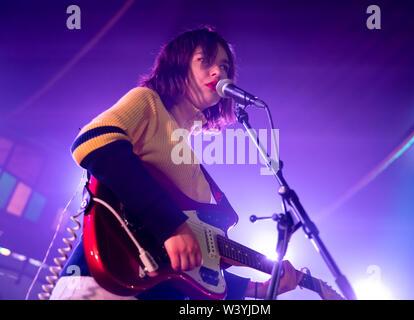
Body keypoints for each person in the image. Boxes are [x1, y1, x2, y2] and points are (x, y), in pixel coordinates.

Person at [50, 27, 302, 300]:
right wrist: (172, 225)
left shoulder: (187, 152)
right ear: (178, 64)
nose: (219, 72)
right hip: (108, 280)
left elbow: (192, 258)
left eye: (225, 66)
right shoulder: (147, 101)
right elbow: (93, 141)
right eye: (205, 61)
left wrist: (262, 289)